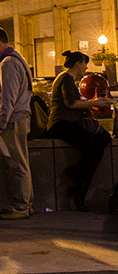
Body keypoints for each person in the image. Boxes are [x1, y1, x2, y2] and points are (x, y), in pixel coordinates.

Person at [46, 50, 114, 211]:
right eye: (85, 63)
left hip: (67, 124)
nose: (86, 67)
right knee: (95, 146)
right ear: (78, 63)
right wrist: (96, 102)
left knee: (102, 140)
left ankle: (78, 176)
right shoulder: (66, 79)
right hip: (61, 125)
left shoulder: (66, 79)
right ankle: (78, 183)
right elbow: (71, 103)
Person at [0, 26, 34, 220]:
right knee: (21, 163)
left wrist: (0, 126)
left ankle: (20, 207)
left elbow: (8, 99)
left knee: (16, 165)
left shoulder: (8, 64)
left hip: (13, 122)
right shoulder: (14, 60)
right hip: (17, 120)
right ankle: (25, 204)